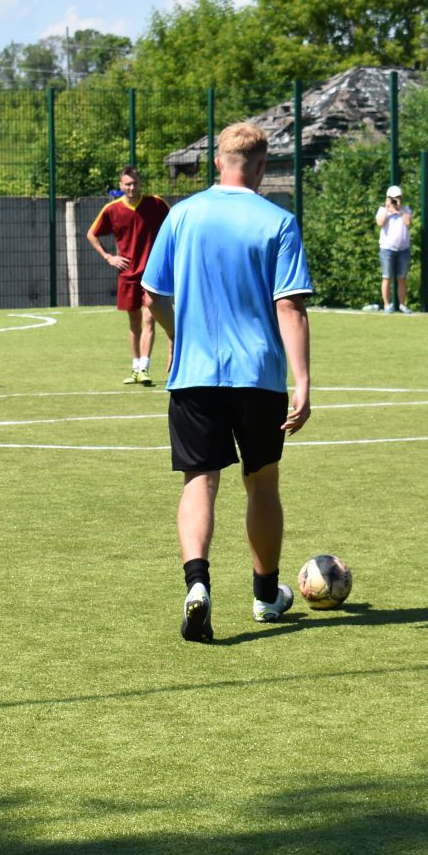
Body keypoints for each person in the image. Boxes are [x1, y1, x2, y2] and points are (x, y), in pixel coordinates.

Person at [140, 122, 313, 643]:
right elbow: (290, 305)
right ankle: (265, 596)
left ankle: (197, 585)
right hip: (258, 375)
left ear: (219, 161)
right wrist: (302, 380)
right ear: (261, 167)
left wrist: (177, 337)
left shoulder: (182, 215)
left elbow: (153, 295)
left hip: (193, 373)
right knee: (261, 482)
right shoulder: (279, 222)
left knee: (200, 480)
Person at [87, 166, 171, 384]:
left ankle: (145, 367)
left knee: (149, 317)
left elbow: (175, 226)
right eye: (127, 184)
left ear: (140, 182)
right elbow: (91, 234)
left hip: (153, 274)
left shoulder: (156, 204)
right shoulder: (112, 209)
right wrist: (109, 257)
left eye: (135, 183)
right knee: (134, 321)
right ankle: (135, 368)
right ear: (121, 185)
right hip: (127, 275)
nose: (132, 187)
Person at [375, 185, 414, 313]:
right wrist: (388, 209)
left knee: (402, 278)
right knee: (387, 277)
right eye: (393, 198)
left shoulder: (406, 210)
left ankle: (402, 304)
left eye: (398, 198)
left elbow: (408, 224)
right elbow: (380, 223)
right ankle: (387, 305)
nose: (396, 200)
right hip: (387, 249)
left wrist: (400, 211)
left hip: (403, 249)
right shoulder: (382, 210)